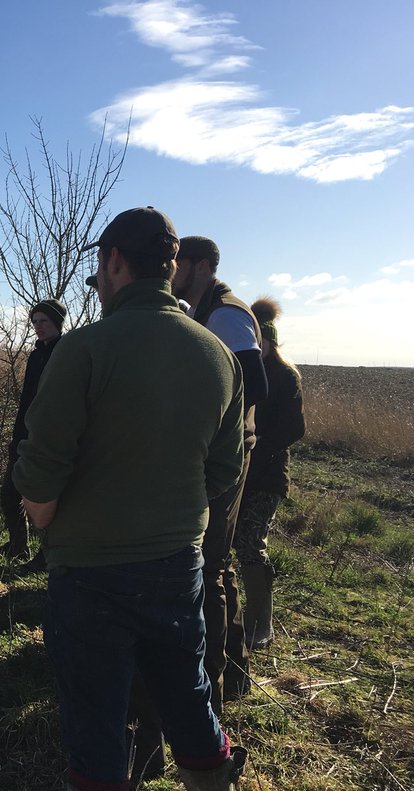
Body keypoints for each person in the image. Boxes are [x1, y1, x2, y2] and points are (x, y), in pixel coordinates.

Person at [14, 207, 247, 791]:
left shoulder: (86, 349)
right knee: (189, 698)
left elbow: (38, 477)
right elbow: (224, 471)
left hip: (90, 577)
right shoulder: (216, 354)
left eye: (100, 264)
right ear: (170, 266)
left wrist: (52, 521)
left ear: (115, 261)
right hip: (180, 567)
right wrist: (170, 516)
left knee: (96, 724)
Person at [171, 236, 268, 709]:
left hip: (223, 456)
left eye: (178, 264)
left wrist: (217, 429)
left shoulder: (225, 313)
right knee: (216, 563)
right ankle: (233, 672)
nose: (170, 271)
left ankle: (211, 682)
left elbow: (255, 384)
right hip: (217, 451)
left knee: (208, 565)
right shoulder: (203, 310)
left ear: (201, 266)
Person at [235, 297, 305, 648]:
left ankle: (261, 623)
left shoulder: (284, 376)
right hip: (240, 473)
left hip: (267, 476)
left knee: (250, 544)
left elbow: (293, 429)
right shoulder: (246, 371)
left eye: (259, 340)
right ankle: (237, 617)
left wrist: (257, 444)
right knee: (234, 542)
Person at [0, 299, 67, 562]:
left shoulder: (66, 353)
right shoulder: (36, 355)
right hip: (24, 435)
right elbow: (27, 401)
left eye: (43, 321)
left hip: (50, 440)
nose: (38, 327)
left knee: (47, 499)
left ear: (57, 322)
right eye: (34, 322)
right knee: (9, 494)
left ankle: (46, 556)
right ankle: (17, 546)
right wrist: (17, 436)